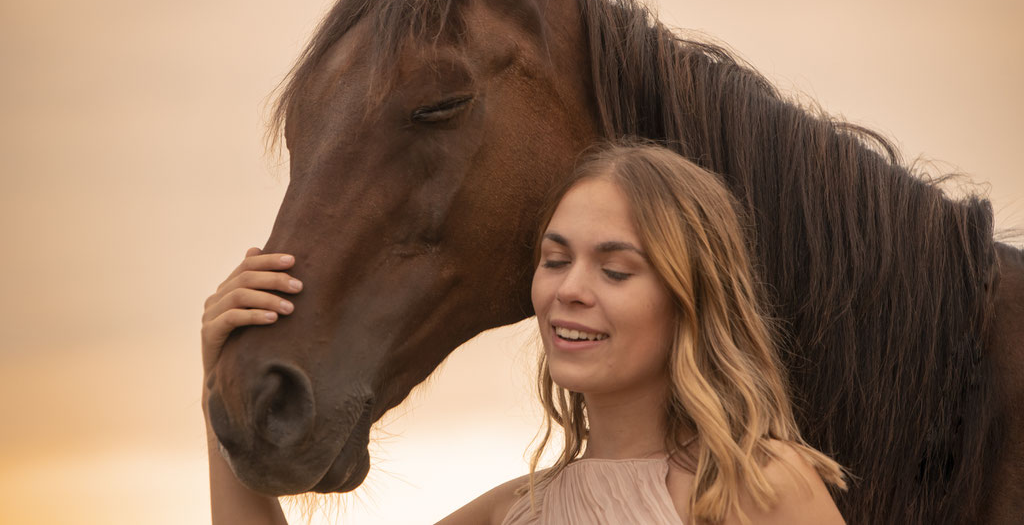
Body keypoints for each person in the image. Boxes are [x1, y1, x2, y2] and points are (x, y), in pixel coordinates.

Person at [202, 141, 846, 524]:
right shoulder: (515, 513)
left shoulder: (759, 486)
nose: (570, 289)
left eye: (616, 269)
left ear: (689, 300)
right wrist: (220, 383)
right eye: (555, 260)